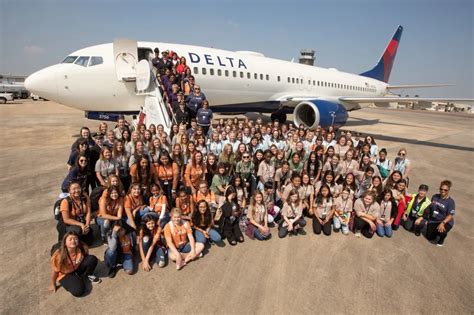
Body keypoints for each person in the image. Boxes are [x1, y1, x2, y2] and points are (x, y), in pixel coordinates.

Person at [50, 232, 100, 297]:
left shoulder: (82, 248)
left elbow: (87, 258)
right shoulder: (59, 256)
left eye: (75, 239)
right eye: (70, 239)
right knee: (79, 291)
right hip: (65, 274)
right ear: (65, 243)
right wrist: (53, 283)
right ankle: (75, 280)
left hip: (77, 268)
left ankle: (85, 276)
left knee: (92, 259)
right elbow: (55, 271)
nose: (73, 241)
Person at [424, 180, 456, 246]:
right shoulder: (435, 196)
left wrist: (443, 223)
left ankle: (441, 240)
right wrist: (426, 218)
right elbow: (431, 207)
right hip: (434, 220)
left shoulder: (450, 202)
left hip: (445, 221)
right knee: (429, 237)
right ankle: (436, 232)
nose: (443, 191)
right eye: (441, 189)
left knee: (442, 231)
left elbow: (450, 215)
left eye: (445, 190)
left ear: (448, 190)